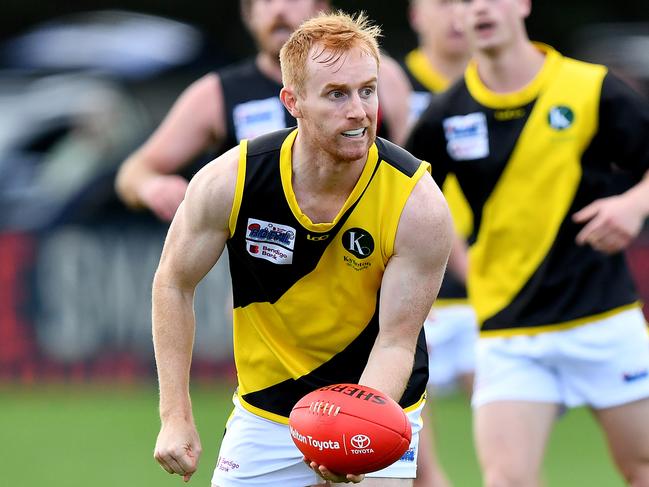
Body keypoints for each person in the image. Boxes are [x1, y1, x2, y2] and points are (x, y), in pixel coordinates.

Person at [151, 11, 453, 487]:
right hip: (266, 413)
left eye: (367, 90)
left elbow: (396, 340)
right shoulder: (232, 180)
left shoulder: (417, 203)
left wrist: (352, 434)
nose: (359, 110)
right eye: (337, 94)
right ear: (293, 102)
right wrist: (175, 415)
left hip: (377, 408)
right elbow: (173, 282)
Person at [406, 0, 649, 486]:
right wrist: (410, 283)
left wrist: (634, 205)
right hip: (510, 333)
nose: (479, 9)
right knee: (507, 481)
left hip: (605, 320)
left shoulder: (592, 88)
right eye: (465, 2)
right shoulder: (446, 113)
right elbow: (399, 202)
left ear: (522, 4)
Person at [114, 0, 412, 222]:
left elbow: (415, 178)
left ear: (322, 7)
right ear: (248, 14)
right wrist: (151, 186)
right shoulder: (216, 94)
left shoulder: (380, 76)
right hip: (264, 291)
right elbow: (134, 172)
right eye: (266, 1)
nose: (279, 10)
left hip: (371, 277)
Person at [404, 2, 474, 485]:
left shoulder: (507, 85)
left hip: (486, 291)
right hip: (406, 287)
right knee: (412, 464)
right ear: (415, 13)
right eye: (443, 2)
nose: (457, 15)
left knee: (512, 454)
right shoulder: (385, 83)